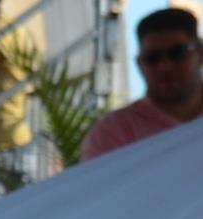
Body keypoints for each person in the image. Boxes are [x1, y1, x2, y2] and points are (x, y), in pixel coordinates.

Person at [83, 6, 202, 155]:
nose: (165, 66)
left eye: (177, 53)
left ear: (200, 52)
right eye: (152, 58)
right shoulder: (113, 133)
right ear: (139, 64)